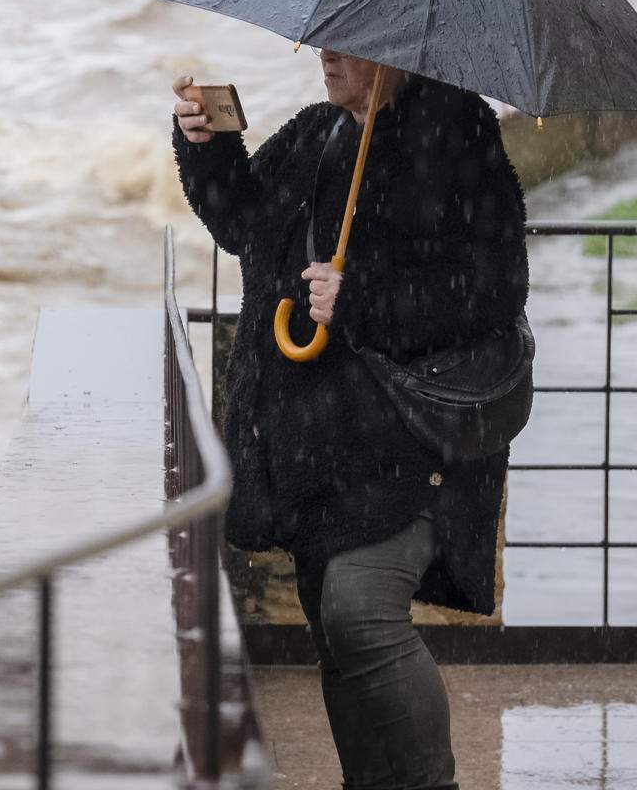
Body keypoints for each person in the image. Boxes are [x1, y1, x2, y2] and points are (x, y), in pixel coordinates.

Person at [171, 50, 529, 790]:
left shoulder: (456, 132)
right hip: (318, 448)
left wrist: (364, 298)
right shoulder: (317, 132)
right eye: (324, 36)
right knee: (334, 632)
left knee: (359, 610)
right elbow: (245, 223)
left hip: (405, 440)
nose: (327, 53)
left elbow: (493, 290)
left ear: (396, 49)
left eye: (347, 40)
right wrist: (208, 148)